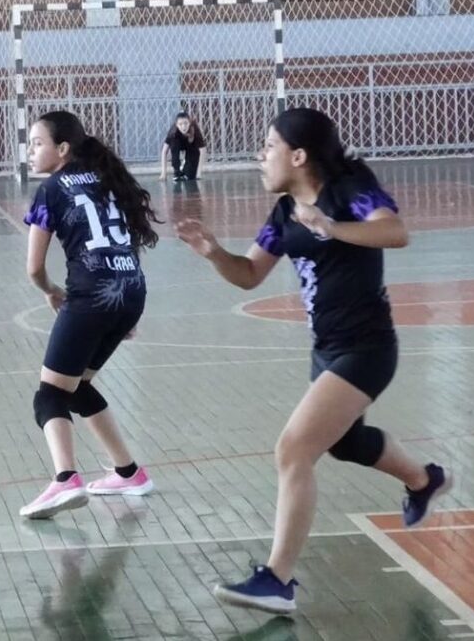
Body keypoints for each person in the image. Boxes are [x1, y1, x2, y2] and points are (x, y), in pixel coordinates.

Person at [176, 107, 451, 615]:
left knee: (293, 449)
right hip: (326, 348)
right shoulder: (284, 211)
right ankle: (423, 479)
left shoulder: (349, 189)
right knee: (345, 444)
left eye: (269, 147)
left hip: (366, 347)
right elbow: (250, 275)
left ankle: (277, 579)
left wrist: (331, 227)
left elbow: (395, 232)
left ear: (298, 155)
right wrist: (214, 251)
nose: (260, 156)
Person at [19, 110, 159, 519]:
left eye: (37, 143)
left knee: (49, 395)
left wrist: (50, 292)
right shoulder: (108, 179)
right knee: (76, 387)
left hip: (92, 295)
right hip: (131, 289)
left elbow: (33, 268)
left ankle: (65, 478)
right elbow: (126, 244)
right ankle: (129, 473)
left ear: (62, 149)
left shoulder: (52, 189)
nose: (31, 151)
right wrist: (127, 308)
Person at [160, 112, 206, 182]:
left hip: (191, 146)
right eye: (180, 124)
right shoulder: (173, 131)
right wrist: (163, 173)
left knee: (190, 176)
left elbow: (202, 150)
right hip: (178, 144)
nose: (183, 127)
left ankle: (186, 168)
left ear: (190, 123)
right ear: (176, 125)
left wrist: (198, 173)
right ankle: (177, 170)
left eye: (186, 123)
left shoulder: (195, 129)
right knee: (174, 143)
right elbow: (164, 151)